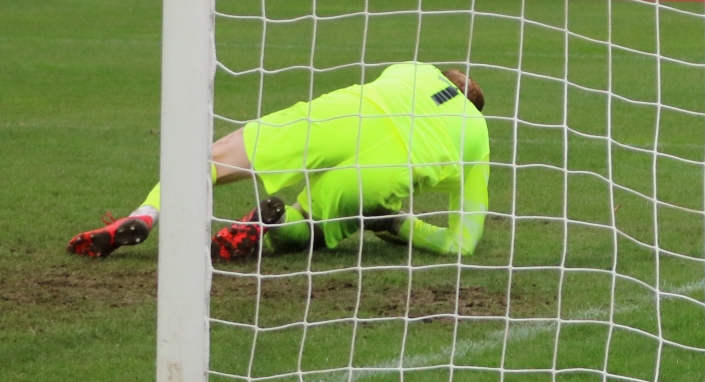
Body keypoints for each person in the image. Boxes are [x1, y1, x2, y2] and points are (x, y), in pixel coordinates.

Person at [66, 63, 492, 262]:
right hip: (387, 169)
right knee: (307, 227)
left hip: (341, 115)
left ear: (445, 77)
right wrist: (395, 223)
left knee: (211, 160)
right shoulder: (477, 135)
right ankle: (272, 220)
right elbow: (461, 243)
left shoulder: (414, 70)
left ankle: (146, 213)